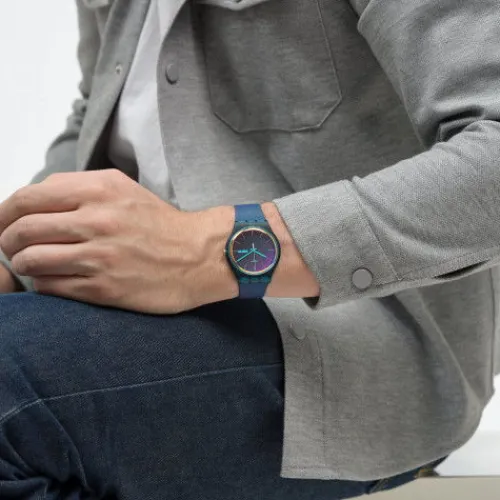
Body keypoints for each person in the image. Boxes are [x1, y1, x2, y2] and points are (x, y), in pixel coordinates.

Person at [0, 0, 498, 498]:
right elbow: (99, 110)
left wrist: (206, 250)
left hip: (356, 348)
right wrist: (15, 255)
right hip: (135, 310)